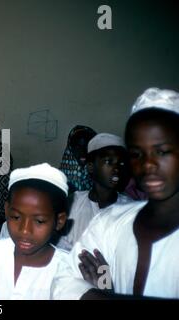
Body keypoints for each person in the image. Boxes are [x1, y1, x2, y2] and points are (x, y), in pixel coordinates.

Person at [51, 88, 179, 299]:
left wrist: (108, 295)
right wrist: (104, 288)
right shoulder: (108, 222)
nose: (148, 164)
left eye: (162, 151)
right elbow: (67, 277)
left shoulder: (120, 205)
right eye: (137, 153)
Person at [0, 163, 68, 299]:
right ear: (7, 211)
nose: (24, 230)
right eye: (16, 217)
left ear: (59, 221)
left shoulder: (68, 270)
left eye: (39, 221)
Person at [57, 133, 133, 251]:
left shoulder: (130, 209)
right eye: (108, 161)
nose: (117, 168)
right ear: (91, 167)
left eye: (121, 163)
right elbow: (61, 249)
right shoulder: (74, 203)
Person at [60, 125, 97, 193]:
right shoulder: (60, 179)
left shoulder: (102, 177)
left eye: (87, 147)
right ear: (70, 149)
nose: (82, 152)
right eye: (78, 147)